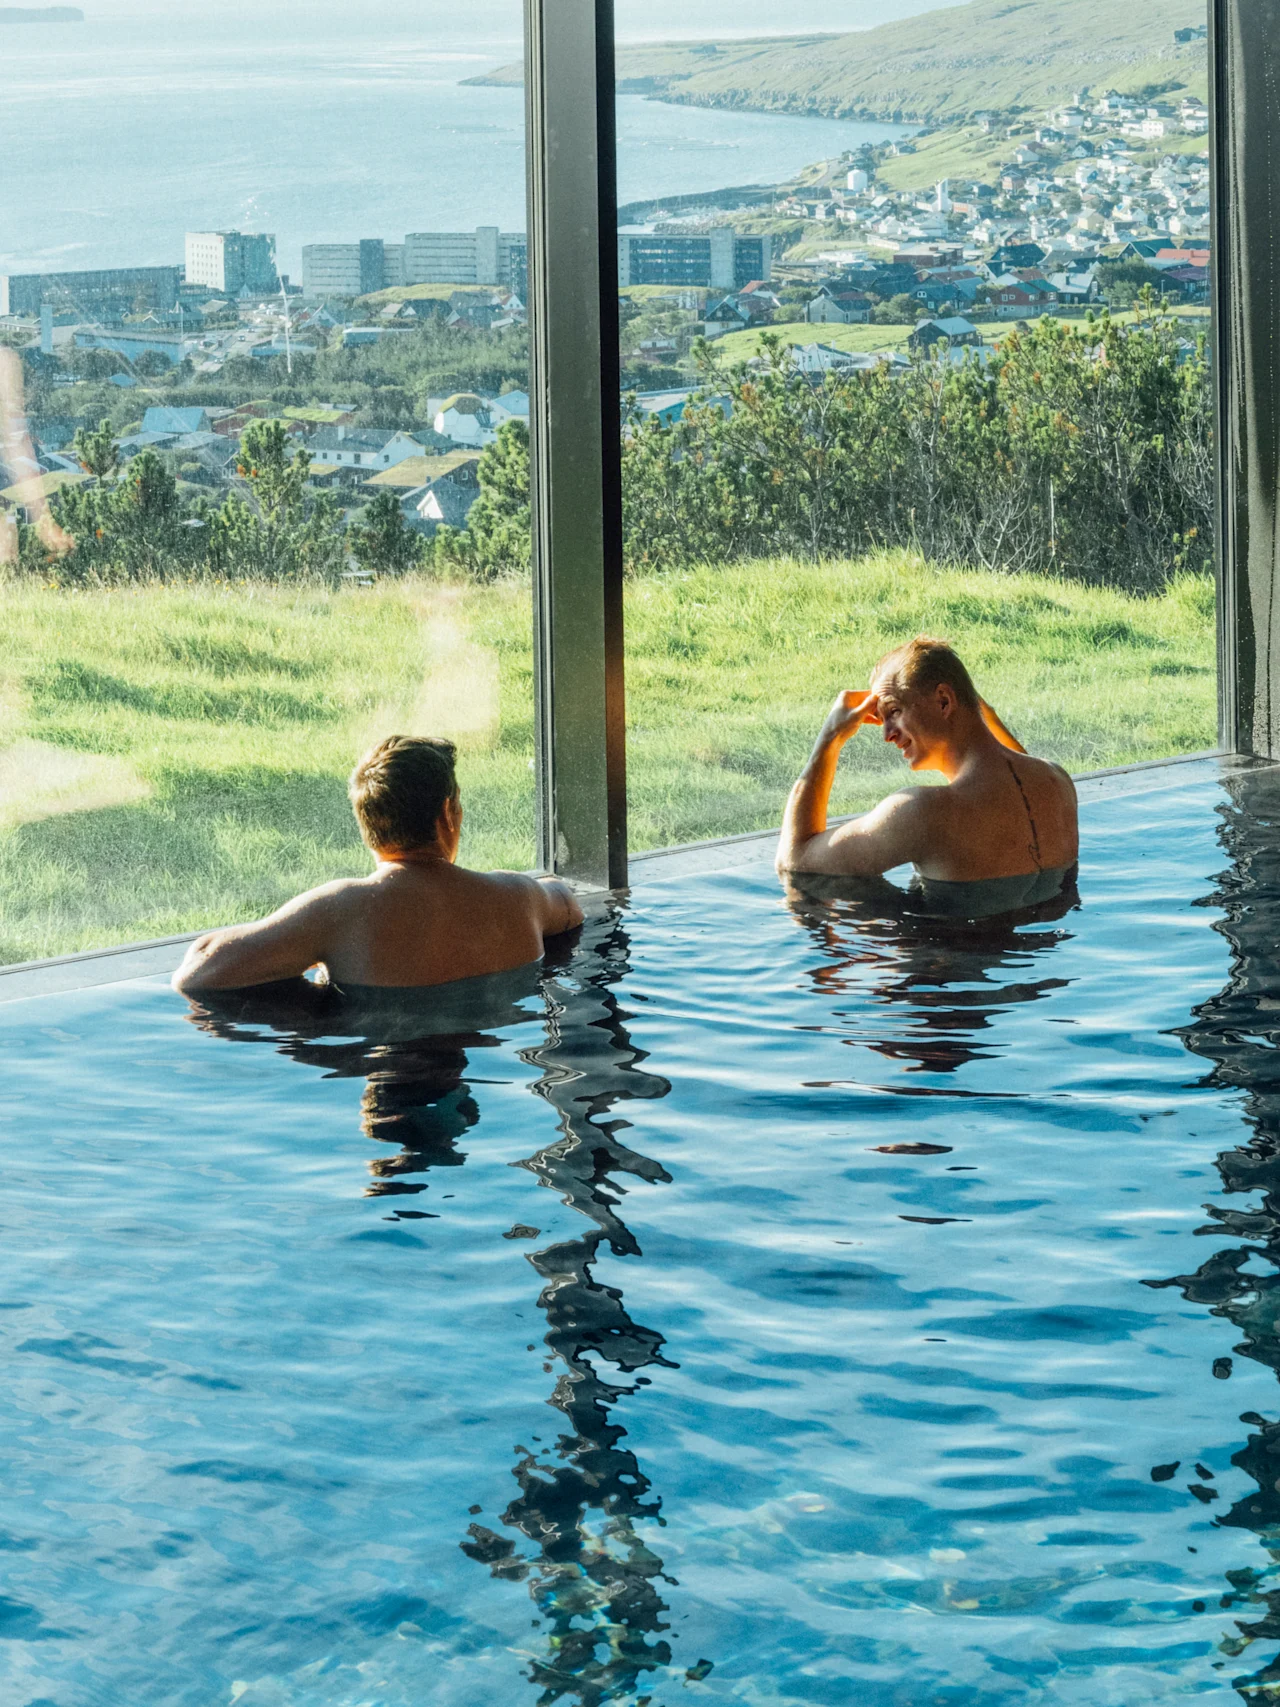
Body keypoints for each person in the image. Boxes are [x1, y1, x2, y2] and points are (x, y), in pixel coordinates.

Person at [172, 734, 583, 994]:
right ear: (447, 812)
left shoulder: (342, 910)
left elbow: (198, 973)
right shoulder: (518, 897)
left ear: (366, 822)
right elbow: (568, 904)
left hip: (384, 1053)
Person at [776, 636, 1078, 917]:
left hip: (950, 955)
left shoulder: (923, 812)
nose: (887, 735)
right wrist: (982, 714)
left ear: (944, 701)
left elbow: (794, 862)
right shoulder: (1056, 781)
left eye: (894, 711)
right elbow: (1013, 770)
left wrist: (830, 737)